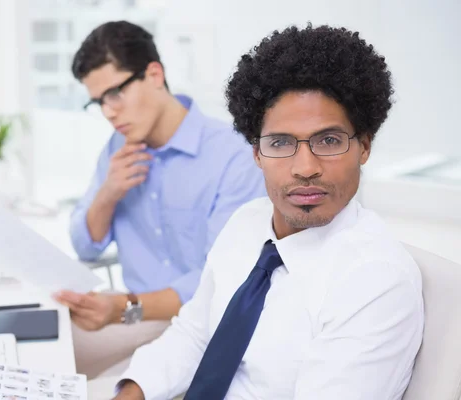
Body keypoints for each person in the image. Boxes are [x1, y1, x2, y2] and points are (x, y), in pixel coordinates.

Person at [110, 24, 424, 400]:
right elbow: (194, 334)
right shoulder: (246, 223)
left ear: (364, 147)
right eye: (280, 142)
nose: (305, 167)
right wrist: (128, 395)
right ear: (257, 153)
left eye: (329, 140)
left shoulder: (374, 281)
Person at [53, 21, 267, 378]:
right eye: (98, 102)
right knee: (30, 350)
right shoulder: (117, 149)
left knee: (98, 384)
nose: (108, 112)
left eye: (115, 93)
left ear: (154, 74)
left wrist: (122, 309)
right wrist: (108, 194)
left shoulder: (233, 156)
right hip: (134, 317)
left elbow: (219, 282)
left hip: (201, 327)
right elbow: (85, 246)